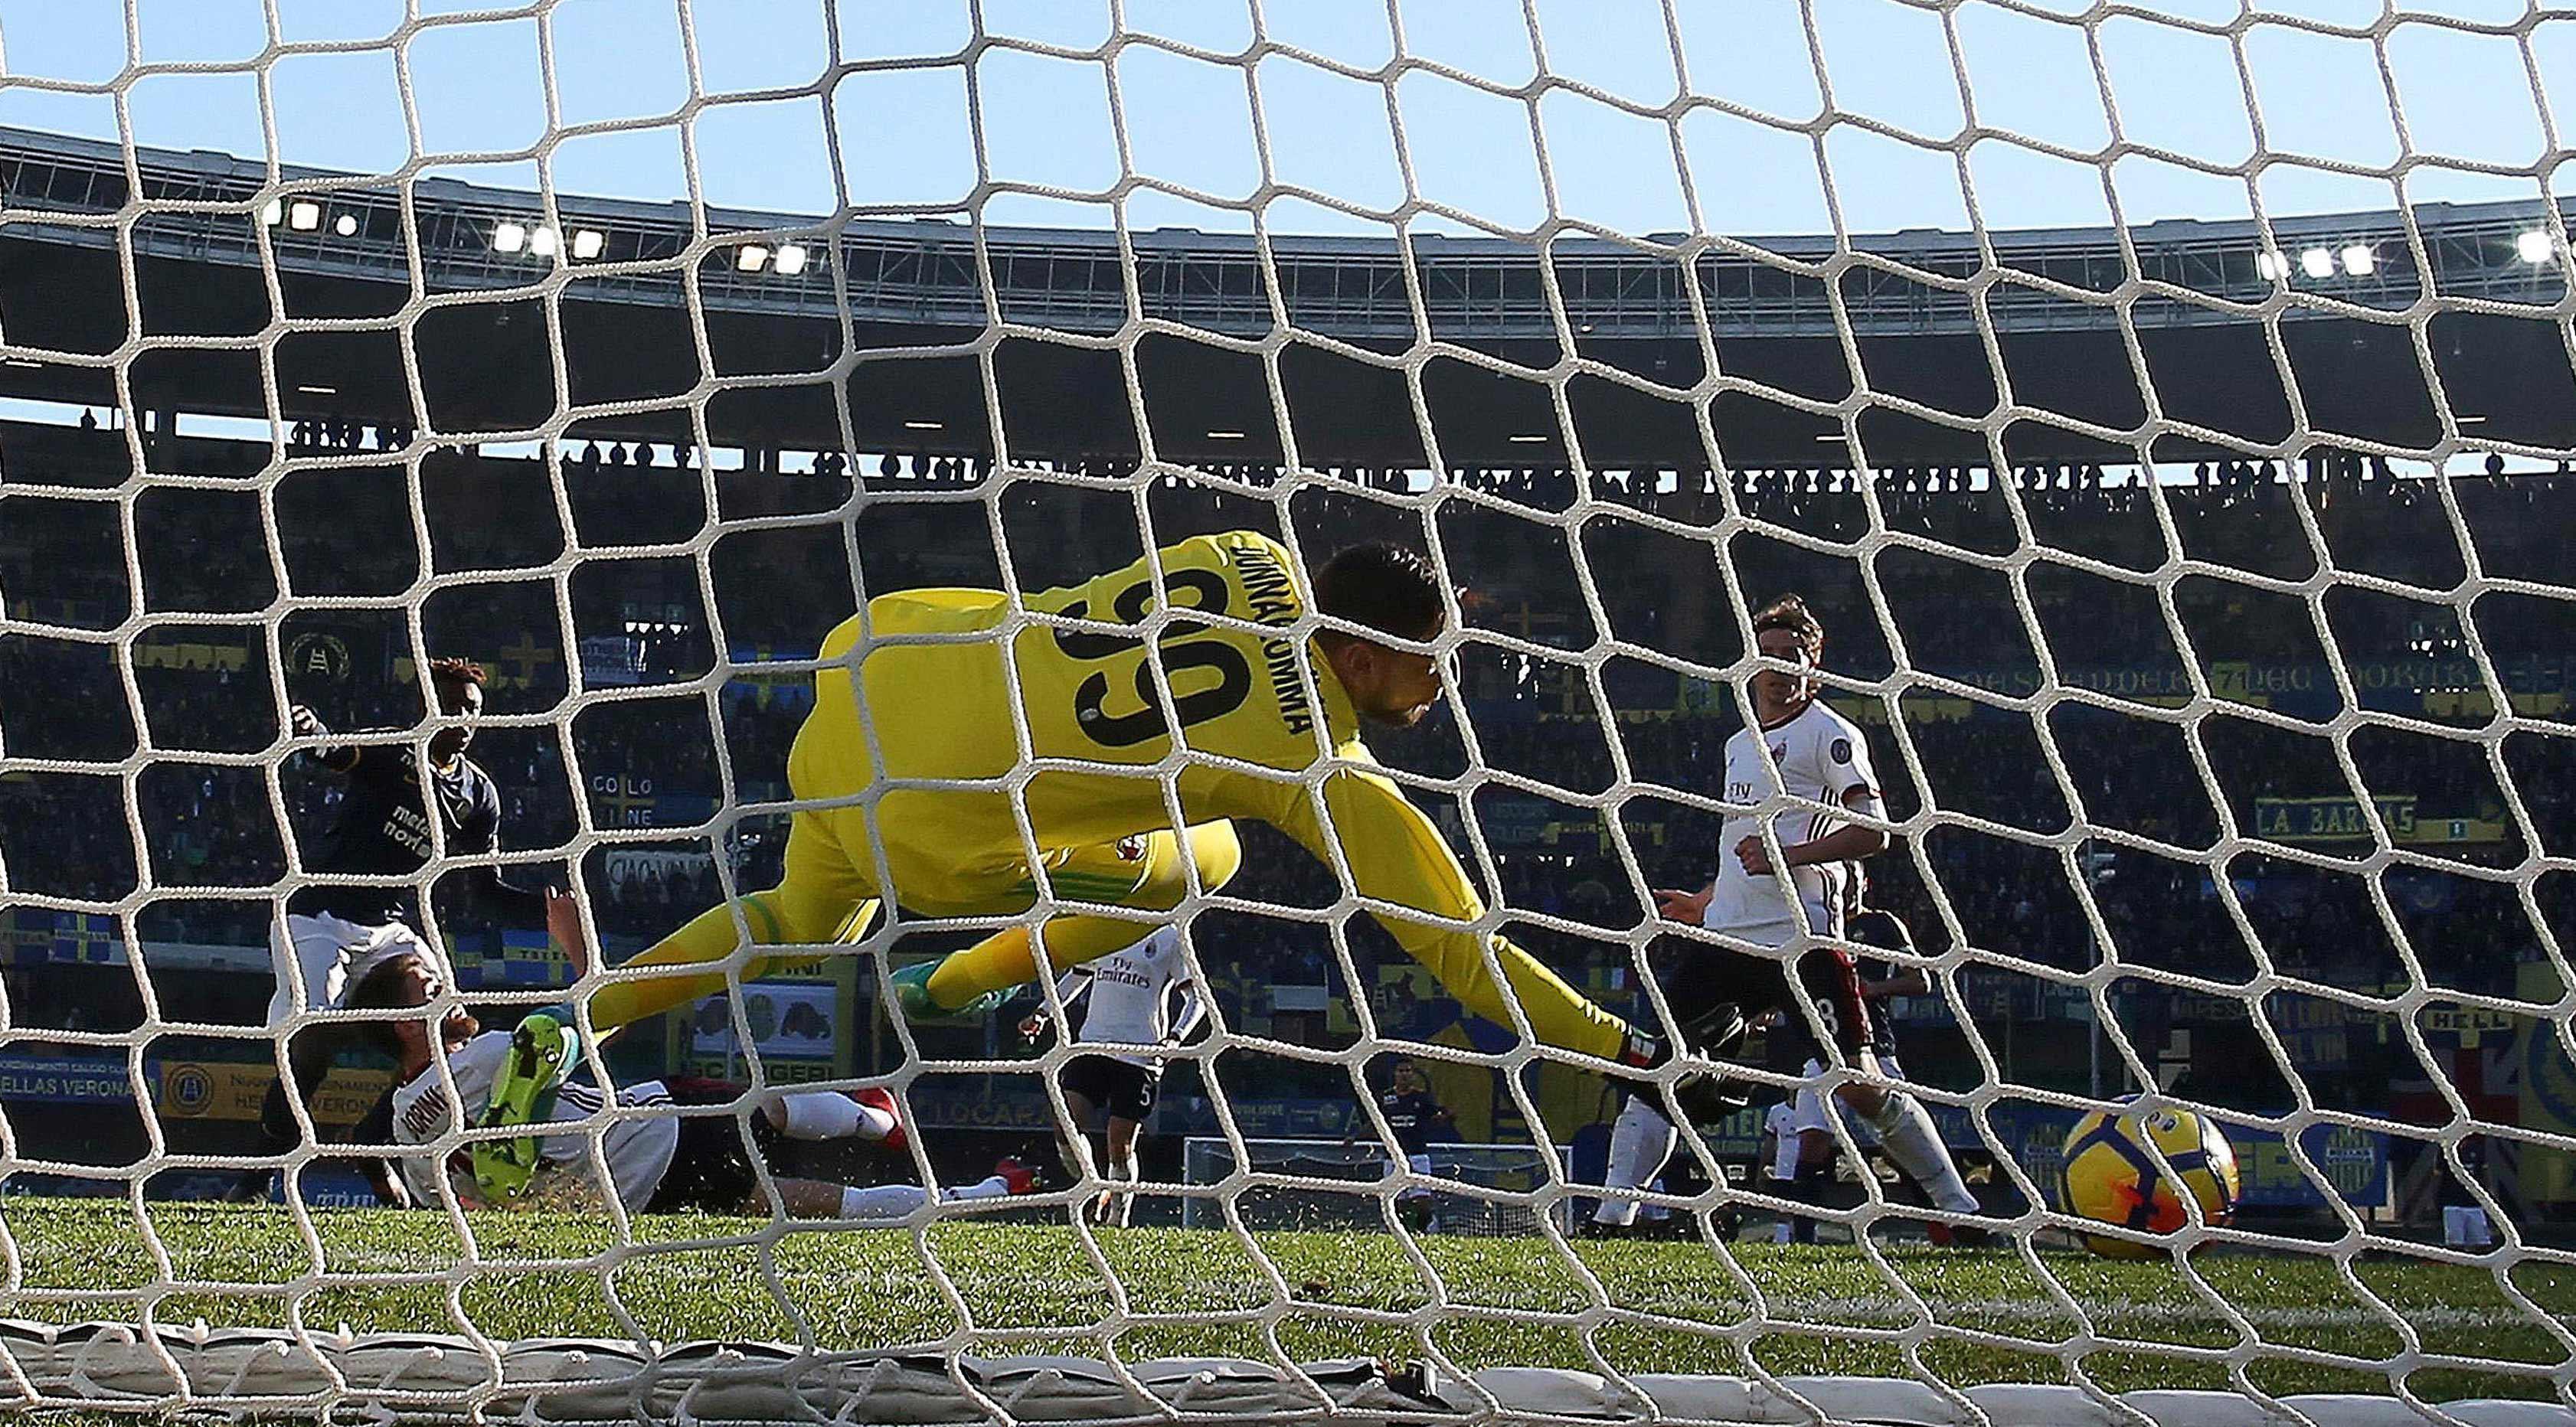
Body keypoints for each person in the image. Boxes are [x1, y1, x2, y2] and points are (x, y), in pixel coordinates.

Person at [575, 533, 1736, 1095]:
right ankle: (954, 987)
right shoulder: (1312, 760)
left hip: (883, 679)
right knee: (1206, 859)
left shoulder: (1245, 549)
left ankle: (577, 1026)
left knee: (790, 916)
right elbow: (1453, 936)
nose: (1443, 688)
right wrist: (1621, 1043)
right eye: (1433, 663)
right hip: (938, 821)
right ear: (1364, 651)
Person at [1594, 595, 1969, 1238]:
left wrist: (1787, 856)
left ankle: (1959, 1208)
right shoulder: (1740, 743)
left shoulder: (1831, 734)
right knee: (1661, 1071)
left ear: (1813, 665)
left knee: (1858, 1083)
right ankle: (1610, 1217)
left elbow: (1874, 832)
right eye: (1766, 656)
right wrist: (1705, 901)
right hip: (1726, 942)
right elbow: (1743, 845)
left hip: (1806, 941)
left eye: (1791, 657)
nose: (1777, 669)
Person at [231, 657, 577, 1204]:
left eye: (474, 712)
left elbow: (482, 889)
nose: (465, 720)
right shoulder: (394, 749)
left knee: (453, 1030)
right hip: (318, 917)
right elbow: (336, 751)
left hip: (390, 930)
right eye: (457, 707)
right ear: (427, 704)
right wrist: (309, 729)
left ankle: (373, 1139)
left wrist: (550, 912)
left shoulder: (478, 796)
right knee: (315, 1039)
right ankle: (256, 1177)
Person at [352, 967, 1026, 1220]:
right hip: (657, 1125)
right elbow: (598, 1021)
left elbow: (472, 1206)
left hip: (631, 1199)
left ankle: (981, 1197)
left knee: (800, 1203)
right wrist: (575, 948)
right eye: (427, 986)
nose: (446, 985)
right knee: (761, 1103)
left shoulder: (410, 1139)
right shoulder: (492, 1055)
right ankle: (877, 1123)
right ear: (405, 1023)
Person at [1015, 923, 1205, 1226]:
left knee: (1120, 1144)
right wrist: (1043, 1012)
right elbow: (1078, 975)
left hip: (1139, 1057)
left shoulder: (1170, 936)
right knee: (1064, 1123)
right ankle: (1091, 1185)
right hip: (1092, 1045)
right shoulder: (1108, 926)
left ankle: (1119, 1217)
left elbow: (1197, 999)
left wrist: (1175, 1037)